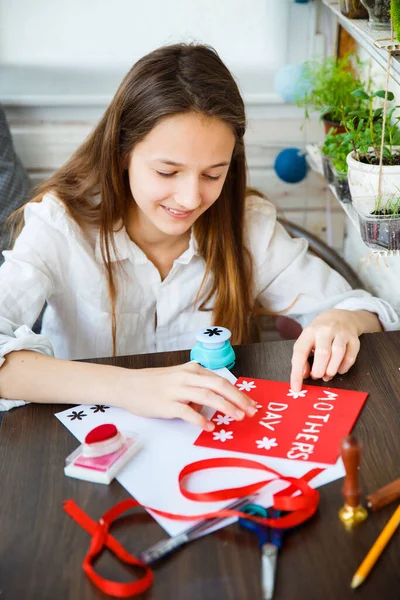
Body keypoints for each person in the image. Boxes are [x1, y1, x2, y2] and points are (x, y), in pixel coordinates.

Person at [0, 44, 397, 428]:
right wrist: (128, 385)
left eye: (212, 174)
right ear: (122, 154)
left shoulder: (247, 226)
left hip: (209, 438)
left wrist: (342, 321)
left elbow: (362, 309)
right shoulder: (60, 224)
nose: (190, 198)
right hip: (87, 446)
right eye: (167, 172)